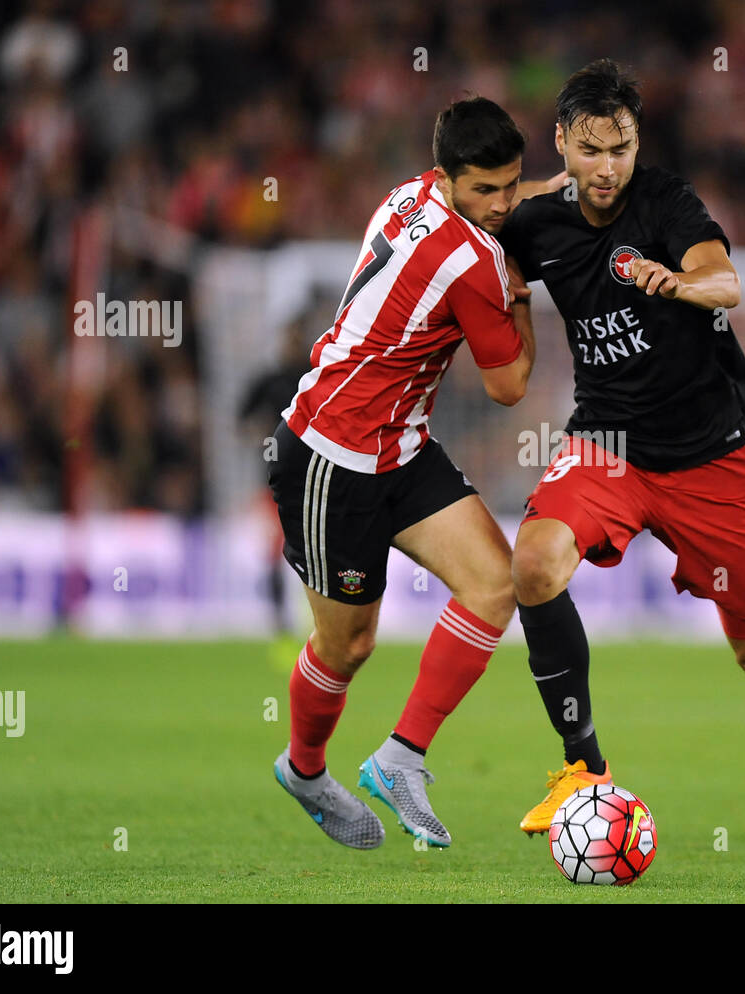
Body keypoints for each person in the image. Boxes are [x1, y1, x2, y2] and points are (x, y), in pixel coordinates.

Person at [499, 60, 745, 864]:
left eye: (622, 149)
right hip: (609, 444)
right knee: (531, 565)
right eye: (591, 150)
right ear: (562, 144)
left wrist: (679, 284)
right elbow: (481, 222)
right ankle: (583, 768)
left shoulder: (666, 202)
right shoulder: (537, 224)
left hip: (712, 459)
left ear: (640, 144)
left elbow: (725, 280)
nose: (607, 168)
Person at [267, 96, 558, 850]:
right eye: (485, 190)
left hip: (397, 444)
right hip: (333, 456)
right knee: (349, 647)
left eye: (511, 186)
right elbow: (508, 386)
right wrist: (522, 295)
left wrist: (536, 195)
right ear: (448, 178)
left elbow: (487, 208)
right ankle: (303, 769)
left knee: (498, 583)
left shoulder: (408, 195)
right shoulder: (476, 262)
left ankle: (401, 758)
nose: (499, 205)